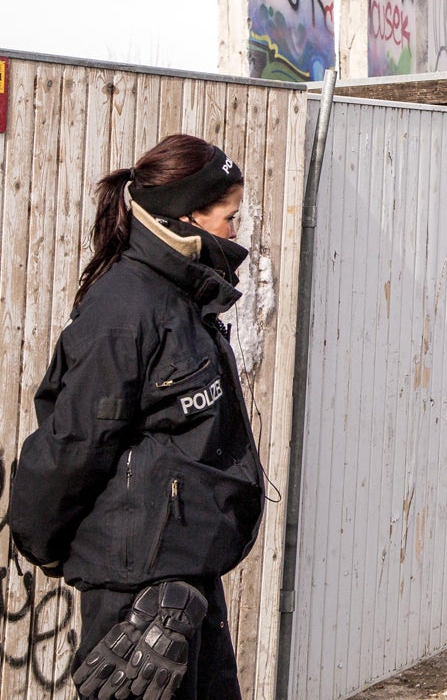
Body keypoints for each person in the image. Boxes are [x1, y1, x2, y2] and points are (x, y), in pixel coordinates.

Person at [8, 134, 266, 700]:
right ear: (187, 216)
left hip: (184, 589)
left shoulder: (183, 300)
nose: (236, 232)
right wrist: (40, 541)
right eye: (229, 216)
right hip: (134, 595)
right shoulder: (125, 309)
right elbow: (74, 444)